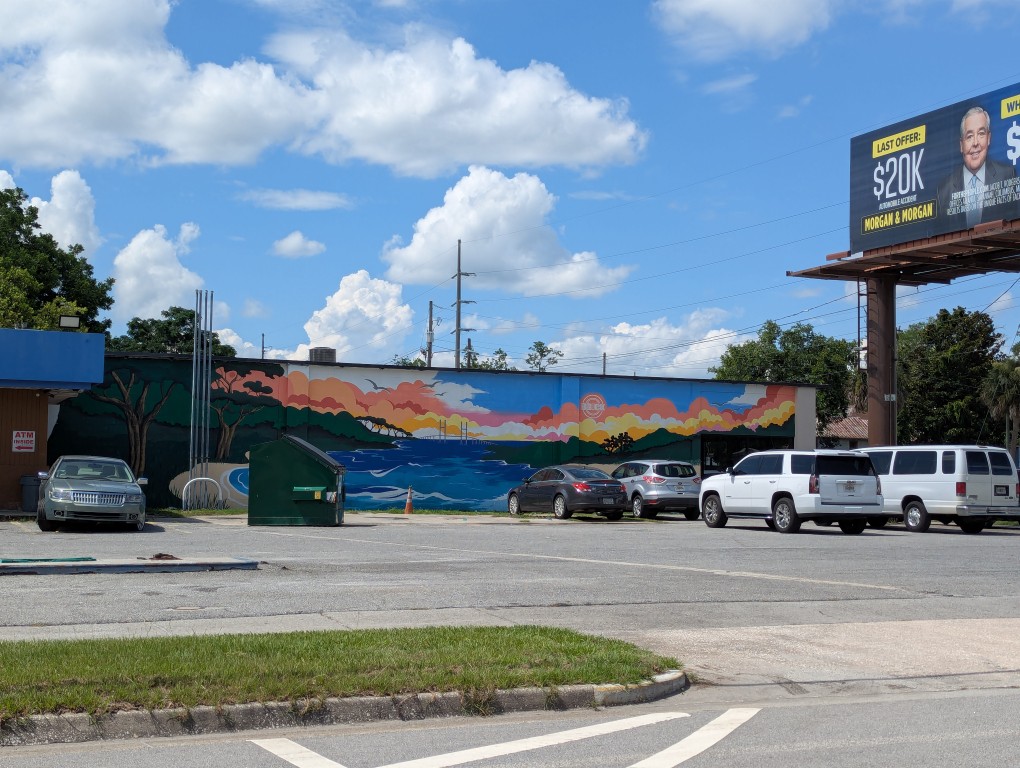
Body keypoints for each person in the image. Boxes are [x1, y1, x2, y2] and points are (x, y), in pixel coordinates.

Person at [937, 106, 1017, 229]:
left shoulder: (1007, 175)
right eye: (969, 136)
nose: (975, 143)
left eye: (981, 134)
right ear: (961, 145)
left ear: (988, 138)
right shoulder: (944, 191)